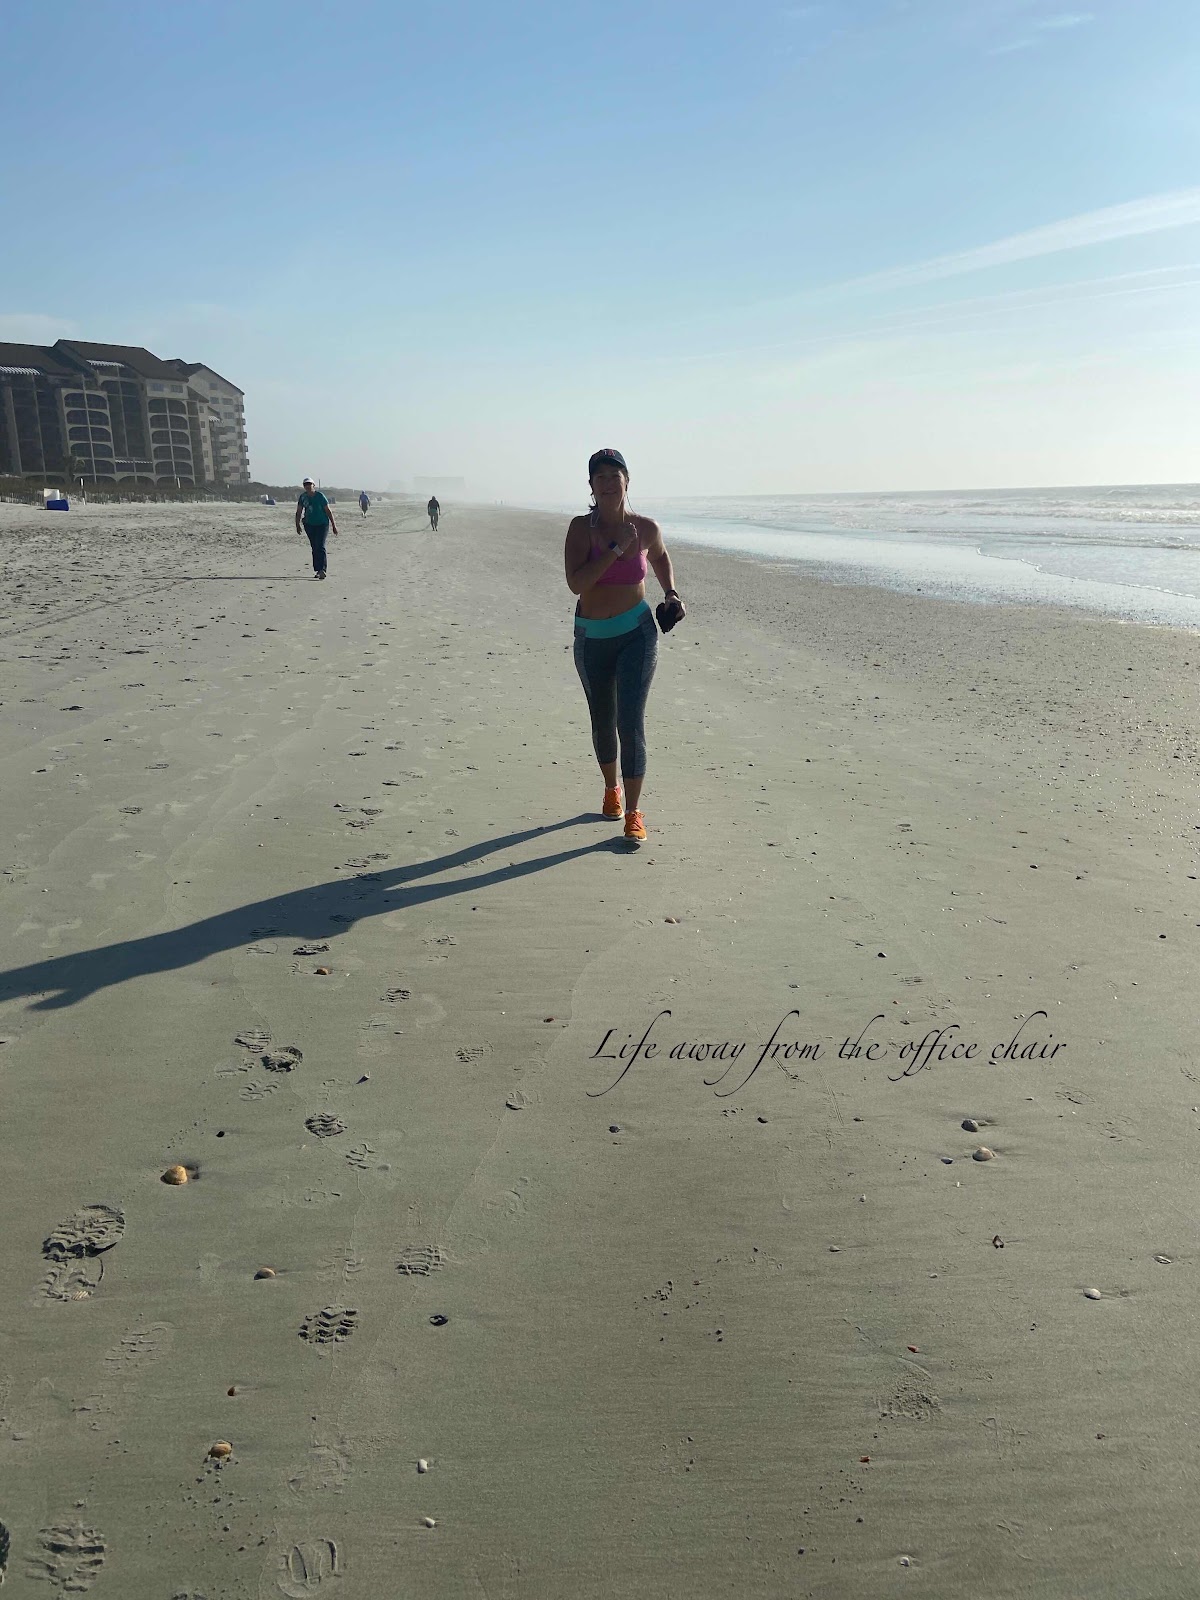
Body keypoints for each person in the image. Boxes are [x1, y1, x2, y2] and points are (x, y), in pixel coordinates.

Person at [564, 447, 684, 845]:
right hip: (592, 639)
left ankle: (633, 812)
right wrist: (616, 550)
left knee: (629, 722)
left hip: (637, 634)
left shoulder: (646, 528)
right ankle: (611, 789)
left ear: (627, 482)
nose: (608, 484)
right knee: (603, 720)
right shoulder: (580, 529)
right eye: (600, 478)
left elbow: (661, 557)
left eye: (615, 477)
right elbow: (577, 584)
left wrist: (671, 593)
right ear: (591, 486)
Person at [295, 476, 339, 579]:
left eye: (309, 484)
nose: (307, 486)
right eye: (305, 484)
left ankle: (322, 570)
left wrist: (334, 525)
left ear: (313, 485)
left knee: (320, 545)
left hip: (322, 524)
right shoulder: (303, 497)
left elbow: (328, 511)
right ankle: (317, 569)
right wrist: (297, 525)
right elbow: (299, 511)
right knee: (314, 547)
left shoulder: (320, 496)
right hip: (309, 525)